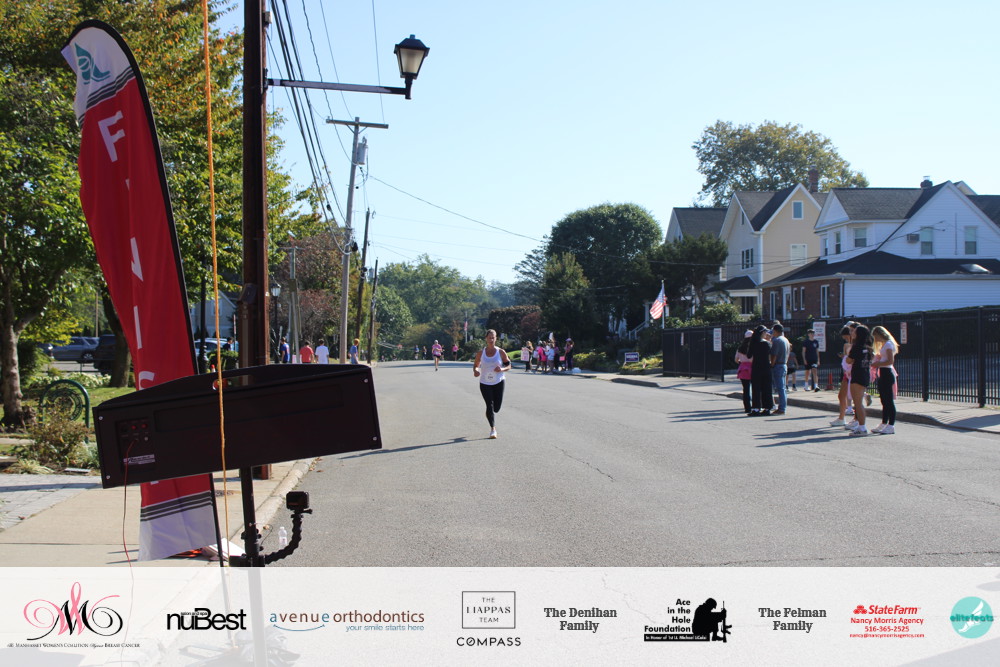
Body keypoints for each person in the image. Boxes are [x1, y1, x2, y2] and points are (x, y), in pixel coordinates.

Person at [473, 329, 511, 439]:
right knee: (489, 405)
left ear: (496, 338)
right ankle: (493, 429)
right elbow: (476, 365)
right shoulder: (481, 353)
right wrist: (476, 371)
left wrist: (502, 369)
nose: (491, 339)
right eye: (489, 337)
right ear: (486, 338)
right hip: (485, 382)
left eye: (493, 337)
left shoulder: (501, 352)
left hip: (499, 382)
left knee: (496, 408)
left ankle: (490, 413)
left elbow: (509, 365)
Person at [870, 326, 899, 435]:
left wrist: (878, 363)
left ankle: (891, 425)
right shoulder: (885, 344)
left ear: (880, 334)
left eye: (876, 336)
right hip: (882, 372)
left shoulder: (888, 344)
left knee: (888, 400)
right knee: (884, 400)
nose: (875, 339)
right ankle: (884, 422)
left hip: (887, 372)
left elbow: (890, 361)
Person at [846, 325, 873, 435]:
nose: (852, 333)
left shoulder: (856, 347)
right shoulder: (868, 347)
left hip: (857, 374)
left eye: (854, 332)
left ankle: (862, 427)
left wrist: (847, 355)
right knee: (858, 402)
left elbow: (849, 360)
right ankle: (860, 425)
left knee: (858, 403)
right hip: (865, 374)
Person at [830, 326, 853, 427]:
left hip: (852, 372)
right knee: (841, 395)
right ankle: (841, 418)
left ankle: (856, 420)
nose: (846, 339)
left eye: (847, 337)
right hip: (846, 372)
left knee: (855, 397)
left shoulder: (855, 345)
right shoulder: (848, 345)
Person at [747, 325, 773, 416]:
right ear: (762, 333)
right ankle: (767, 408)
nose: (766, 333)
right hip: (766, 367)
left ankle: (756, 408)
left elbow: (749, 356)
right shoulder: (767, 344)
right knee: (767, 388)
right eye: (765, 332)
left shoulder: (753, 343)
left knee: (756, 388)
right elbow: (771, 354)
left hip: (756, 367)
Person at [769, 324, 789, 415]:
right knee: (783, 388)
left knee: (780, 388)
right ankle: (783, 407)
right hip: (784, 364)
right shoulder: (785, 340)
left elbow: (774, 355)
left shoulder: (777, 340)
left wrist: (771, 365)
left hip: (778, 365)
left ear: (775, 331)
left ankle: (781, 408)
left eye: (773, 331)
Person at [735, 330, 753, 415]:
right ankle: (755, 406)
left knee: (746, 389)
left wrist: (742, 362)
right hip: (752, 368)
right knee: (755, 388)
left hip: (743, 368)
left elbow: (736, 359)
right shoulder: (753, 347)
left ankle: (747, 407)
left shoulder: (740, 348)